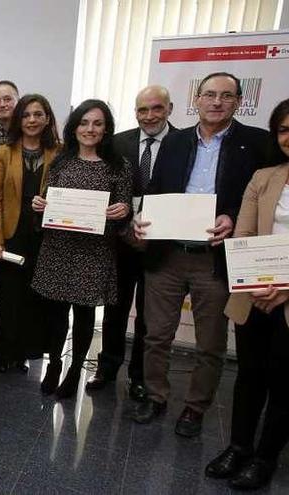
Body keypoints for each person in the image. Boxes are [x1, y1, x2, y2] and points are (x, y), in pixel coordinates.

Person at [132, 72, 271, 438]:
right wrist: (143, 220)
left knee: (210, 343)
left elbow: (267, 196)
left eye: (226, 96)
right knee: (156, 336)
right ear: (196, 99)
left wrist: (235, 217)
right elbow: (157, 192)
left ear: (238, 101)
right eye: (209, 94)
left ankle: (195, 408)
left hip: (216, 258)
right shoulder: (174, 142)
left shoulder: (256, 143)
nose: (216, 102)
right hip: (168, 255)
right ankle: (157, 396)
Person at [204, 99, 289, 490]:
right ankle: (239, 446)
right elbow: (245, 235)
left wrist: (285, 288)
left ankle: (265, 456)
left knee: (283, 380)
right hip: (253, 290)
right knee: (249, 374)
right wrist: (258, 282)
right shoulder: (264, 176)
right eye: (284, 129)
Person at [30, 99, 132, 399]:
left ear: (106, 129)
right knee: (56, 314)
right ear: (74, 128)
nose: (90, 129)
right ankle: (54, 365)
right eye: (84, 123)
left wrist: (122, 210)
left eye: (97, 123)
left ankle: (75, 371)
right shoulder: (61, 161)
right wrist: (39, 206)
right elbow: (48, 202)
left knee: (85, 317)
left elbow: (124, 209)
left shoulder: (119, 166)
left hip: (94, 252)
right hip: (58, 249)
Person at [86, 85, 177, 401]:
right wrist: (124, 227)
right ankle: (107, 368)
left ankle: (140, 377)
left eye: (156, 108)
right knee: (115, 310)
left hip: (162, 246)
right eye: (142, 110)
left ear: (169, 109)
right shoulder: (118, 142)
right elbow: (105, 190)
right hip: (121, 242)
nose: (149, 115)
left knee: (150, 317)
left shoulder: (183, 143)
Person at [0, 93, 61, 372]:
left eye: (38, 114)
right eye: (27, 115)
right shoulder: (3, 152)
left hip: (45, 237)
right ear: (19, 119)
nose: (32, 120)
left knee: (36, 297)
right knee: (9, 296)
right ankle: (5, 352)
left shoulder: (60, 153)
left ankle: (28, 352)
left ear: (47, 118)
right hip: (10, 236)